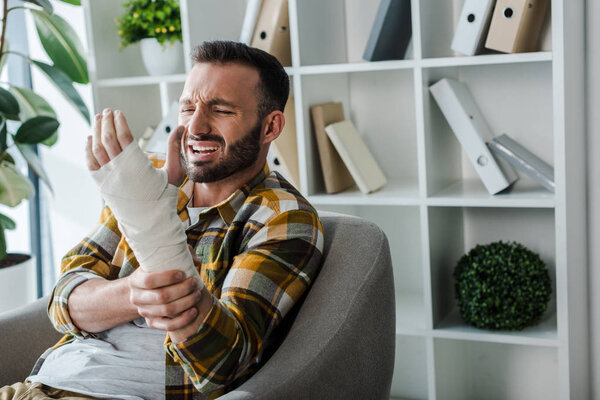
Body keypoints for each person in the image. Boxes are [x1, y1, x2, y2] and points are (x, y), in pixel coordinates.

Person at [0, 40, 324, 400]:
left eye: (221, 110)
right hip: (35, 385)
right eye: (187, 108)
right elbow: (62, 301)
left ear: (270, 126)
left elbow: (221, 363)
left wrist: (152, 227)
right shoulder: (148, 180)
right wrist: (134, 292)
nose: (195, 127)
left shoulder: (282, 218)